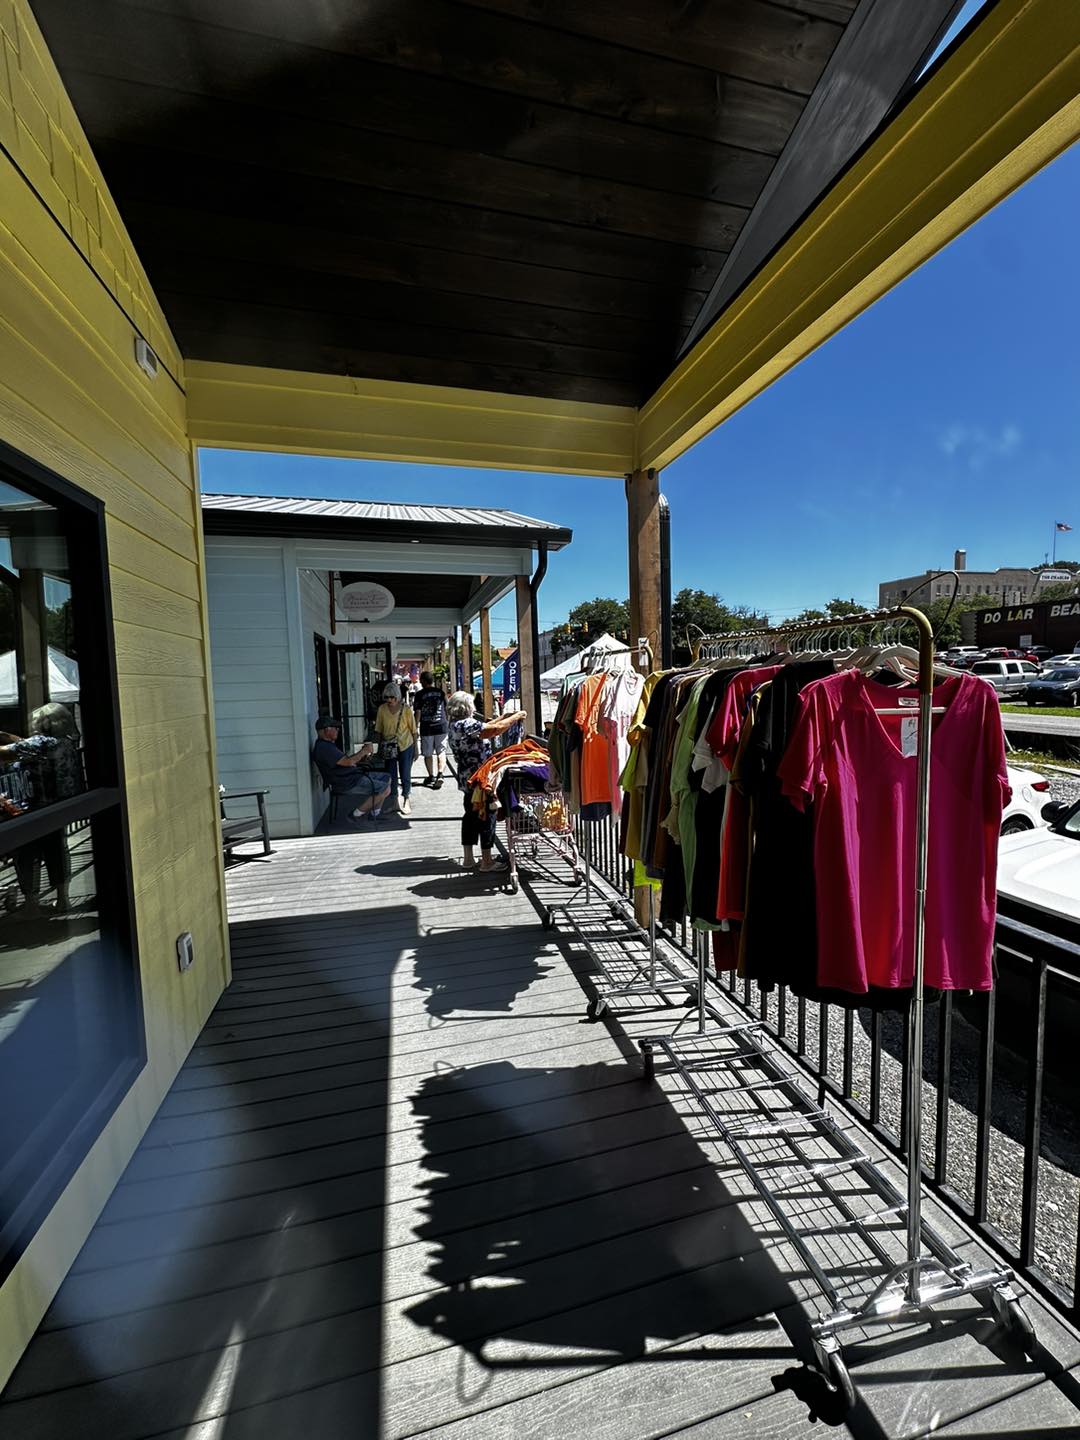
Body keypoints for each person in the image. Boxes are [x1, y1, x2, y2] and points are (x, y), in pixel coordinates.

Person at [0, 702, 86, 911]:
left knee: (26, 854)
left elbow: (6, 751)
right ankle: (63, 899)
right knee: (56, 851)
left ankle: (31, 903)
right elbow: (27, 745)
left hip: (35, 808)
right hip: (60, 806)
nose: (34, 724)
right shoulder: (66, 743)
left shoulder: (41, 743)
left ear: (47, 722)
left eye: (37, 720)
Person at [447, 691, 527, 871]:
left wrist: (504, 718)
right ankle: (487, 861)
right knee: (486, 815)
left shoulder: (454, 724)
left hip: (466, 776)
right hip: (481, 779)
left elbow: (485, 727)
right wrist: (515, 718)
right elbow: (492, 731)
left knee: (470, 814)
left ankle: (468, 859)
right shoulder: (468, 723)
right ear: (468, 707)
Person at [311, 715, 391, 822]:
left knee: (387, 777)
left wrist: (362, 758)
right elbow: (348, 762)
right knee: (385, 789)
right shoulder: (324, 748)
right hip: (347, 782)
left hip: (352, 776)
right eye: (335, 728)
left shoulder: (327, 745)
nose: (337, 730)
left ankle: (374, 814)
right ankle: (355, 814)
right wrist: (363, 751)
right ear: (326, 730)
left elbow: (345, 762)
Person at [374, 681, 419, 815]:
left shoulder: (405, 709)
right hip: (389, 747)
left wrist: (416, 749)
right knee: (391, 776)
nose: (389, 700)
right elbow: (379, 730)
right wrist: (378, 749)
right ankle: (394, 801)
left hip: (406, 745)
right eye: (387, 697)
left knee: (405, 774)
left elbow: (414, 730)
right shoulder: (382, 709)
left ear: (397, 697)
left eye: (392, 697)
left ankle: (406, 799)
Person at [412, 670, 449, 789]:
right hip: (441, 726)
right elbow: (447, 709)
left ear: (422, 681)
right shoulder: (441, 693)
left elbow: (417, 713)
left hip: (426, 727)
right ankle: (441, 774)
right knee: (441, 751)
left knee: (428, 754)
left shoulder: (419, 694)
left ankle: (431, 776)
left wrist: (414, 728)